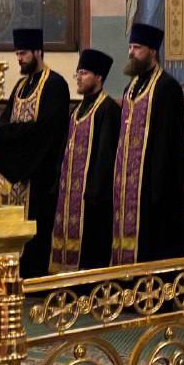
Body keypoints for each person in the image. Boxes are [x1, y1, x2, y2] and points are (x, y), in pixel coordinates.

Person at [0, 28, 69, 278]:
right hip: (16, 175)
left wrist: (15, 136)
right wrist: (17, 135)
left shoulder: (55, 84)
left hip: (40, 176)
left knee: (37, 237)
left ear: (38, 51)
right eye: (17, 54)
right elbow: (3, 126)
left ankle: (34, 278)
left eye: (23, 53)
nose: (19, 58)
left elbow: (46, 132)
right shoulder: (20, 86)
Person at [111, 23, 184, 265]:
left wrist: (156, 189)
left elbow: (168, 145)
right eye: (130, 47)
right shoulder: (130, 88)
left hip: (153, 187)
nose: (131, 52)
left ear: (152, 51)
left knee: (153, 248)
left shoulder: (167, 88)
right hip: (127, 186)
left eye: (137, 48)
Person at [49, 49, 121, 273]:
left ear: (98, 77)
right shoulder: (76, 110)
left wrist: (94, 192)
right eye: (77, 73)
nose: (79, 78)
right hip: (69, 195)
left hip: (92, 199)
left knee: (91, 254)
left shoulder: (108, 109)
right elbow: (65, 150)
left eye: (84, 73)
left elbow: (106, 156)